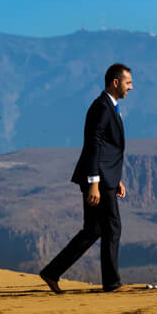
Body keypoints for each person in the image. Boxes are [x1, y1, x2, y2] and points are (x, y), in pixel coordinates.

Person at [40, 63, 132, 294]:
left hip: (105, 178)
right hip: (98, 181)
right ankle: (111, 283)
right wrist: (94, 183)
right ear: (115, 82)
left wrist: (116, 178)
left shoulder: (111, 106)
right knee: (112, 227)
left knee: (93, 230)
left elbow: (108, 150)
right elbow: (94, 147)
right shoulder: (101, 107)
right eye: (128, 82)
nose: (131, 87)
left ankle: (51, 272)